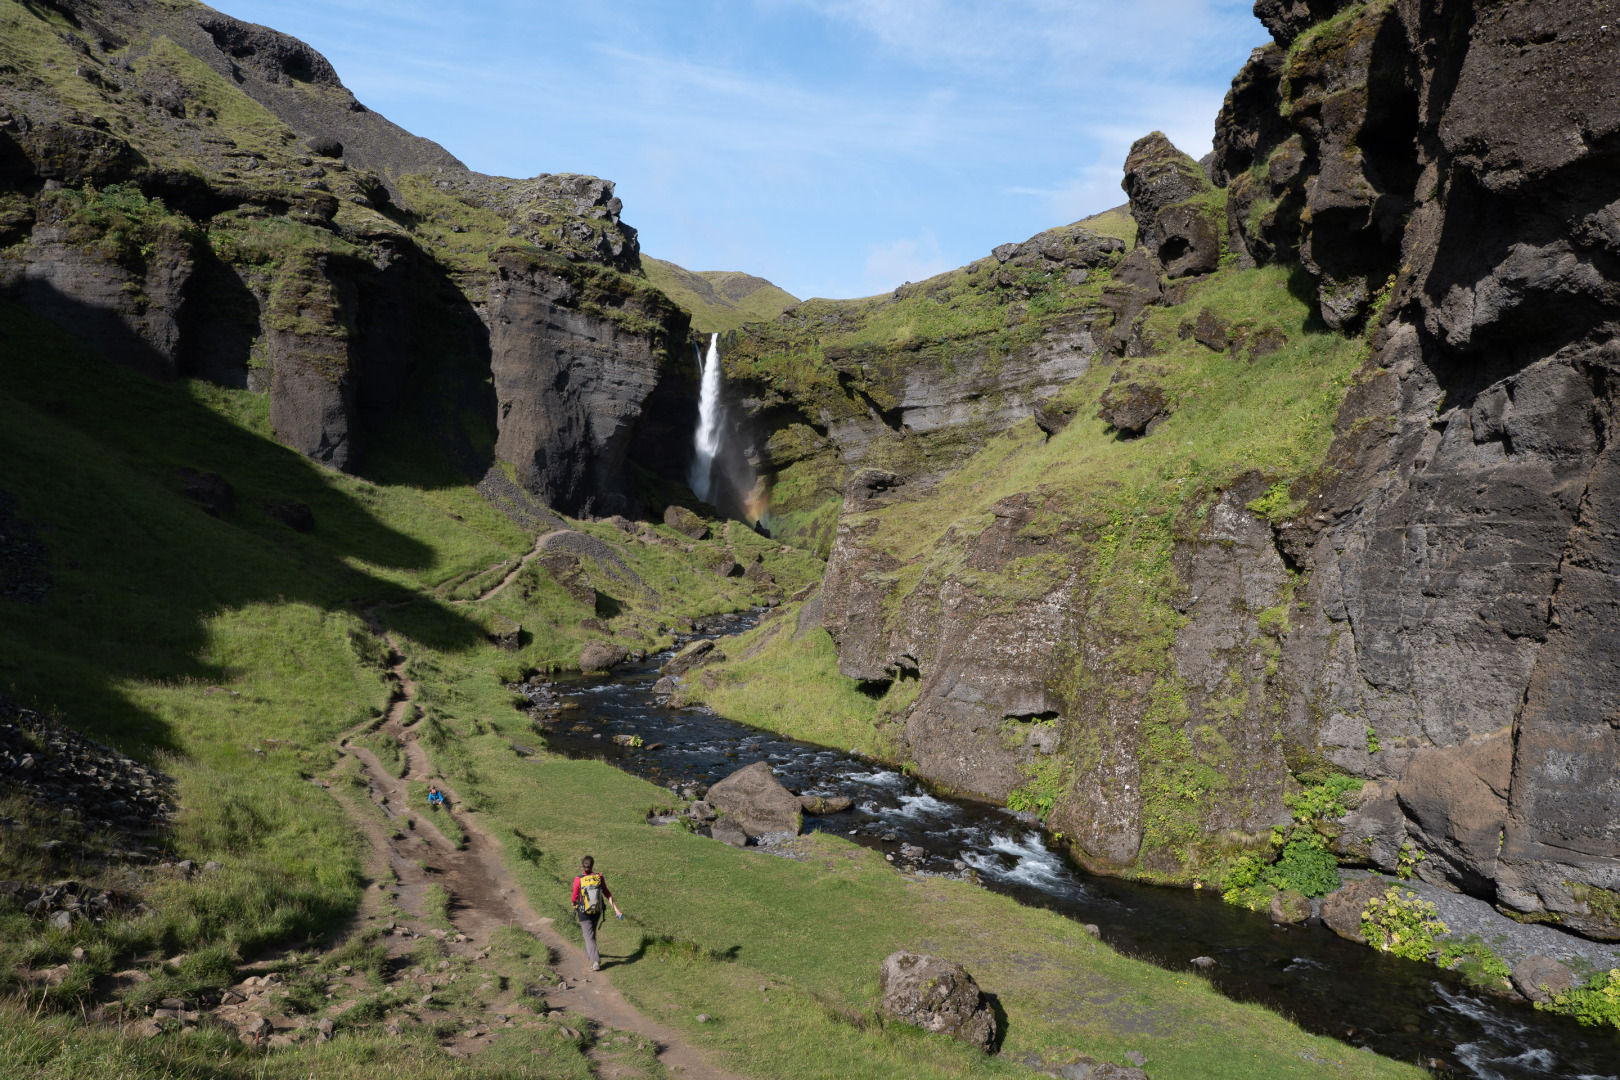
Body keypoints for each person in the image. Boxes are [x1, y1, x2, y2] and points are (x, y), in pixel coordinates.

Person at [570, 855, 624, 971]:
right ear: (592, 865)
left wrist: (574, 904)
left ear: (582, 866)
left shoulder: (578, 879)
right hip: (597, 910)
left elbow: (574, 896)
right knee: (591, 934)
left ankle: (595, 961)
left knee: (588, 935)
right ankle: (588, 954)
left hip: (584, 911)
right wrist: (616, 909)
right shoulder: (599, 877)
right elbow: (607, 893)